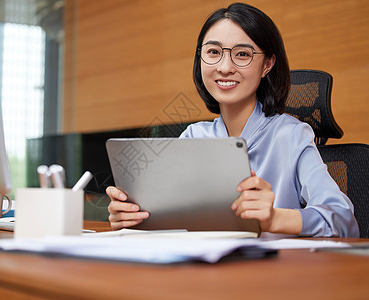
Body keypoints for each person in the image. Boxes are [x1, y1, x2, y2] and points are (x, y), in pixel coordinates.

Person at [106, 2, 359, 237]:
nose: (225, 67)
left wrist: (274, 219)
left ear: (267, 64)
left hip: (273, 277)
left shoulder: (291, 135)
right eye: (214, 52)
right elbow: (172, 226)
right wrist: (133, 218)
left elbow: (344, 222)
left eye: (242, 54)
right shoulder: (193, 138)